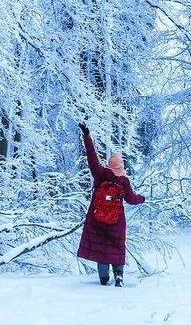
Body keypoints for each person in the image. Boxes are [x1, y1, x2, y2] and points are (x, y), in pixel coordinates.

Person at [76, 121, 145, 287]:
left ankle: (104, 280)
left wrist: (87, 135)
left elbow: (91, 157)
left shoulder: (100, 174)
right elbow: (131, 199)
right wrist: (142, 198)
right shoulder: (124, 181)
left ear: (109, 164)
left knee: (102, 251)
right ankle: (119, 276)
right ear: (121, 166)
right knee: (116, 247)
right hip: (116, 222)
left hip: (97, 219)